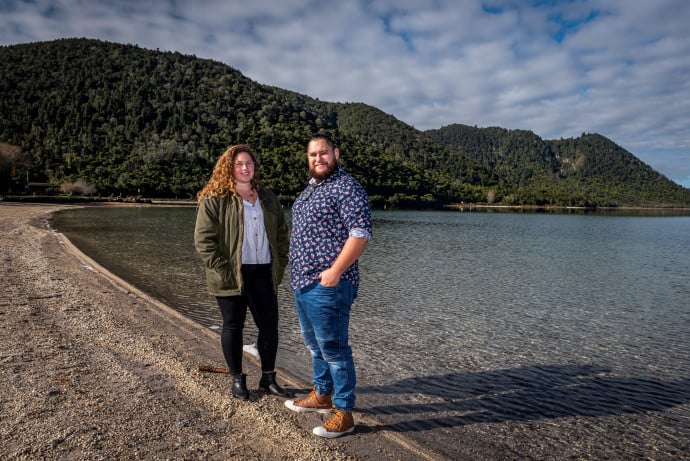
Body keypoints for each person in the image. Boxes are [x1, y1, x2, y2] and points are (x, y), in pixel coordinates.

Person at [284, 133, 372, 438]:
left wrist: (334, 272)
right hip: (303, 282)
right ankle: (322, 394)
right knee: (315, 344)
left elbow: (359, 233)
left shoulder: (346, 187)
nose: (318, 159)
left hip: (329, 284)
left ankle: (344, 412)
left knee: (334, 348)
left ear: (335, 153)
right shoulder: (312, 189)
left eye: (323, 153)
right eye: (312, 155)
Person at [194, 144, 290, 400]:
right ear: (229, 168)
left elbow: (282, 233)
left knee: (269, 327)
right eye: (239, 164)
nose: (245, 168)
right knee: (233, 327)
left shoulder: (267, 197)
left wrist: (281, 260)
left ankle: (268, 377)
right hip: (231, 273)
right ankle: (237, 378)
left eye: (249, 163)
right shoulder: (215, 198)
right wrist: (222, 268)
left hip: (263, 272)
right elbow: (204, 240)